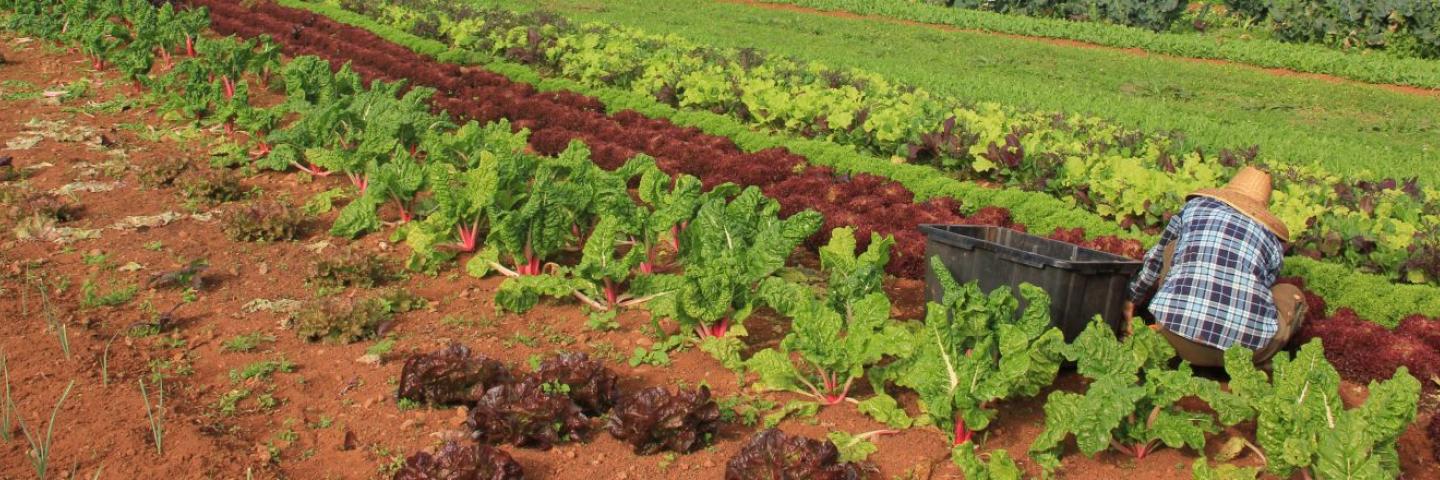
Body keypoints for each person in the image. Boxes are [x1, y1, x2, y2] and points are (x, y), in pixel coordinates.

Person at [1124, 166, 1306, 367]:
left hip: (1175, 338)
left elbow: (1156, 259)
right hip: (1241, 356)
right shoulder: (1272, 241)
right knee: (1291, 294)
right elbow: (1265, 288)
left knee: (1173, 248)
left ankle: (1166, 324)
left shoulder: (1193, 209)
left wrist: (1132, 297)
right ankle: (1258, 365)